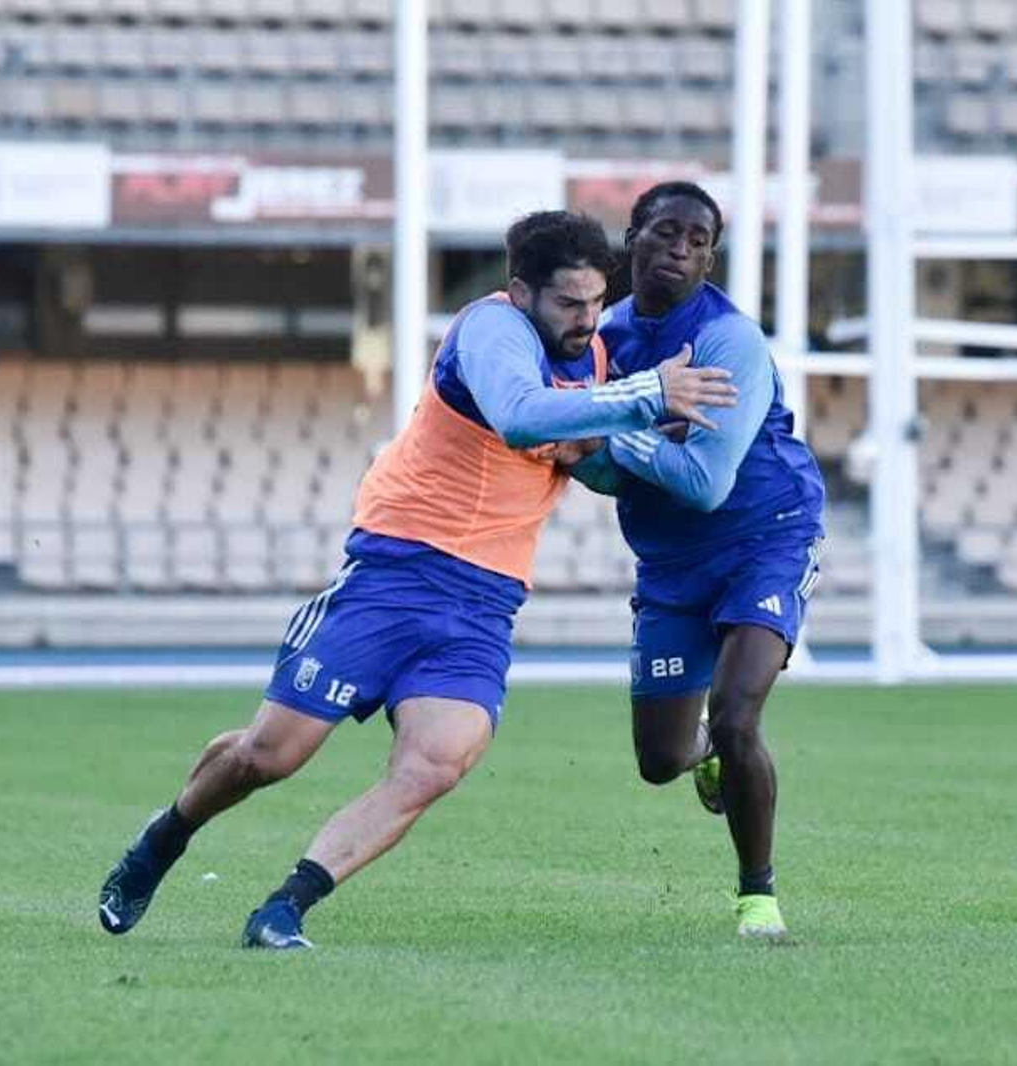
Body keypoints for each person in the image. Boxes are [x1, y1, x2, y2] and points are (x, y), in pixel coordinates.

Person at [97, 210, 738, 950]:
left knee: (434, 764)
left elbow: (583, 454)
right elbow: (523, 418)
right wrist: (648, 398)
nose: (588, 319)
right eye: (569, 302)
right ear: (520, 290)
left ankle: (285, 908)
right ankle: (166, 837)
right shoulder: (490, 331)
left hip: (487, 602)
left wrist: (645, 446)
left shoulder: (590, 358)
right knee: (270, 756)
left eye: (597, 302)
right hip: (397, 573)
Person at [569, 182, 826, 940]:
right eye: (667, 232)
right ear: (633, 237)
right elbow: (594, 464)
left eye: (700, 239)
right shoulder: (604, 339)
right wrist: (611, 438)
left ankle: (758, 896)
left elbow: (708, 482)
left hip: (766, 536)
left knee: (739, 715)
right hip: (672, 563)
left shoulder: (728, 342)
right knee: (660, 760)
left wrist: (611, 427)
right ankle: (707, 752)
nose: (682, 249)